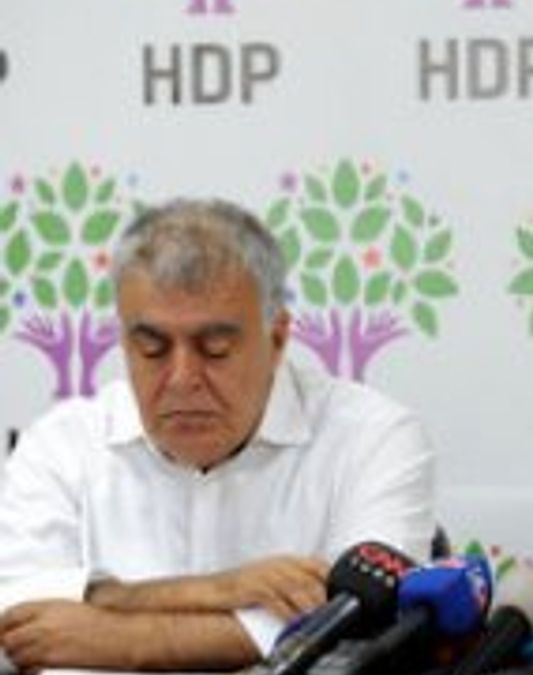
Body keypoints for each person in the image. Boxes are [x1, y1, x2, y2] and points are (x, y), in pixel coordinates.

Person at [0, 199, 435, 671]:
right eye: (152, 349)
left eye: (215, 349)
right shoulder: (59, 446)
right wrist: (219, 589)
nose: (182, 378)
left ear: (277, 339)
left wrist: (121, 639)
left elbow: (362, 623)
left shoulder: (373, 438)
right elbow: (19, 621)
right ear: (124, 341)